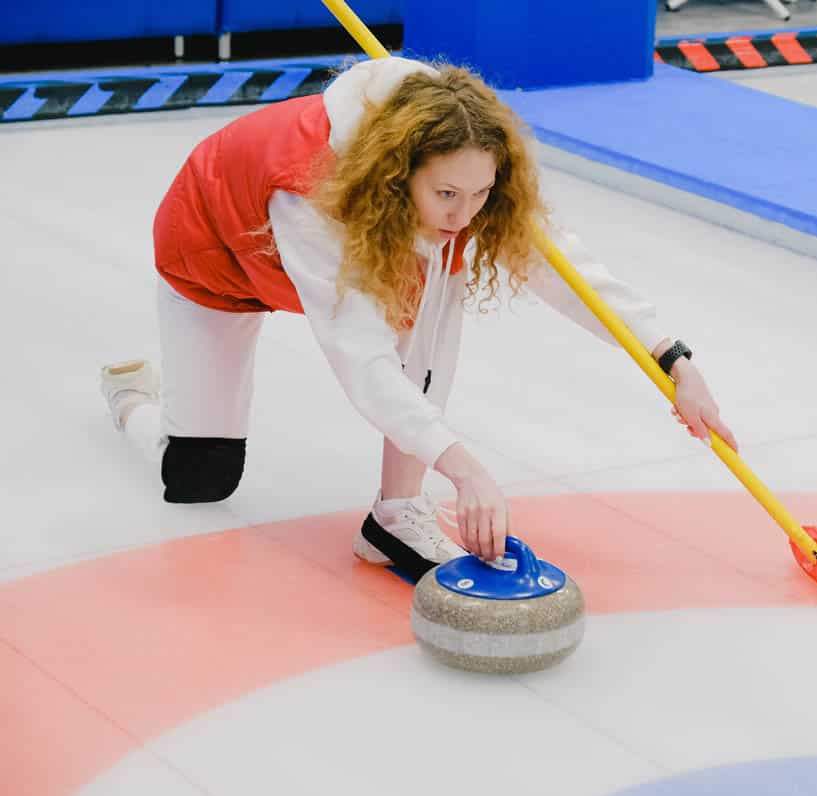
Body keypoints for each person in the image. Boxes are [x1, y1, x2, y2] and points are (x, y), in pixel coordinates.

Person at [100, 56, 737, 583]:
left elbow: (565, 268)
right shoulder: (310, 192)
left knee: (436, 272)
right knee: (198, 479)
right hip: (217, 258)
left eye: (482, 193)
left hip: (363, 240)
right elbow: (365, 362)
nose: (466, 214)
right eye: (447, 195)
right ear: (395, 175)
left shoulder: (458, 168)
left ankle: (396, 513)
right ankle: (136, 398)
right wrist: (464, 467)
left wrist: (671, 356)